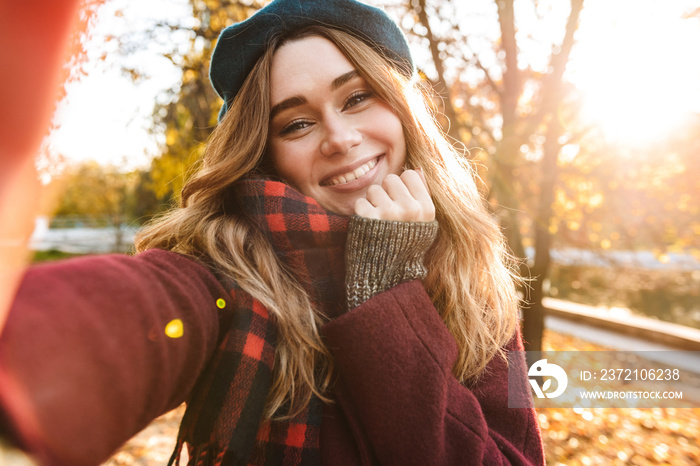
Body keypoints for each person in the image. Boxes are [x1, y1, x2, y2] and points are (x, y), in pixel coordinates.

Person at [0, 0, 544, 464]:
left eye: (357, 98)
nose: (339, 137)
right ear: (265, 152)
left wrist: (386, 295)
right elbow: (136, 309)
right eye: (297, 124)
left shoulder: (469, 271)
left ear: (402, 111)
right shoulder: (228, 267)